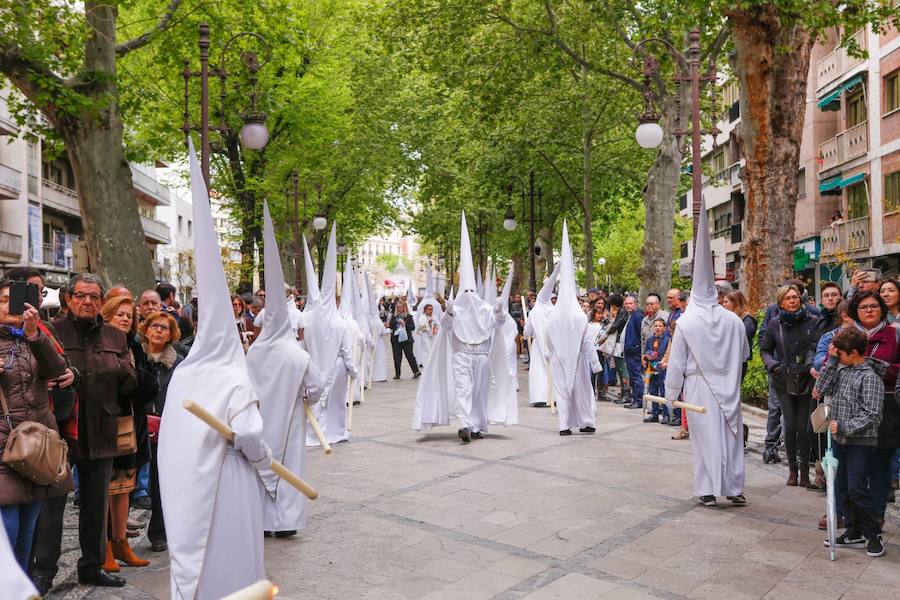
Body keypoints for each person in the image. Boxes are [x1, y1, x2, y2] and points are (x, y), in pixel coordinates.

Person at [159, 141, 277, 599]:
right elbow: (247, 435)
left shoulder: (186, 374)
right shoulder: (234, 374)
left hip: (192, 490)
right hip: (229, 485)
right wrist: (265, 462)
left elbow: (171, 441)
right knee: (235, 564)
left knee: (199, 567)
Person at [664, 194, 749, 507]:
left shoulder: (687, 322)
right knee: (731, 436)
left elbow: (677, 362)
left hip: (699, 384)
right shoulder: (733, 321)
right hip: (728, 383)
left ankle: (708, 489)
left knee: (706, 441)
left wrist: (672, 393)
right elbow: (743, 357)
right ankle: (734, 487)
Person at [52, 273, 137, 587]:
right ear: (69, 299)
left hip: (102, 427)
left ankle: (92, 565)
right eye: (80, 295)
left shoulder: (115, 336)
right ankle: (43, 571)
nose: (87, 301)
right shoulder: (54, 331)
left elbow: (129, 382)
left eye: (93, 296)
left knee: (95, 503)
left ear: (102, 301)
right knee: (52, 505)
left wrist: (124, 368)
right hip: (62, 431)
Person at [248, 203, 325, 539]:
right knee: (290, 464)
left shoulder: (254, 352)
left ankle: (263, 521)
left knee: (261, 464)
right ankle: (286, 522)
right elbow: (318, 386)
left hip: (260, 420)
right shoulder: (296, 354)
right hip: (291, 418)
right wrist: (304, 395)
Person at [412, 213, 516, 442]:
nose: (468, 296)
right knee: (463, 390)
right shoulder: (456, 309)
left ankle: (477, 425)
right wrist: (448, 311)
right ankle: (465, 425)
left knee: (479, 392)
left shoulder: (485, 309)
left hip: (481, 356)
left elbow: (498, 323)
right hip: (462, 355)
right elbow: (447, 326)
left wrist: (499, 309)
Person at [0, 279, 69, 572]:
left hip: (39, 446)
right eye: (3, 300)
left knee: (29, 531)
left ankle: (21, 590)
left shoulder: (39, 334)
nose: (10, 305)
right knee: (9, 530)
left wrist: (34, 335)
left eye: (13, 299)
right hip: (4, 446)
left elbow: (57, 371)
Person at [98, 296, 157, 571]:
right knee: (106, 489)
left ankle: (122, 542)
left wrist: (141, 378)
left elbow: (144, 384)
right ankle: (105, 546)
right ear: (107, 316)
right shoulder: (99, 343)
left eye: (128, 316)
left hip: (133, 422)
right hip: (107, 424)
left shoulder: (133, 345)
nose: (124, 319)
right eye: (119, 315)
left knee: (125, 488)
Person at [815, 328, 885, 557]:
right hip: (839, 440)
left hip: (860, 442)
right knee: (841, 487)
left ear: (854, 352)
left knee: (857, 488)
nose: (838, 356)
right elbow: (822, 389)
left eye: (840, 353)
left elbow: (873, 414)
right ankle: (853, 532)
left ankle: (873, 534)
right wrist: (833, 361)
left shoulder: (871, 377)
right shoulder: (842, 370)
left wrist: (846, 426)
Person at [846, 291, 900, 526]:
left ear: (882, 309)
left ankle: (876, 514)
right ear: (856, 312)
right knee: (856, 466)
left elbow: (897, 368)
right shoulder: (848, 336)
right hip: (852, 407)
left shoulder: (895, 335)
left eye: (874, 306)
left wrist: (873, 367)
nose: (869, 310)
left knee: (880, 464)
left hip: (886, 406)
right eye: (863, 307)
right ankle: (853, 516)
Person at [759, 284, 820, 486]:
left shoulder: (812, 321)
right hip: (783, 379)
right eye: (788, 298)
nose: (793, 300)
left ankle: (804, 473)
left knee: (804, 427)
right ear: (780, 302)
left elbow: (815, 346)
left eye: (795, 297)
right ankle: (792, 470)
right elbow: (765, 350)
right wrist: (773, 366)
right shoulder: (775, 324)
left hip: (806, 378)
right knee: (790, 426)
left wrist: (810, 364)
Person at [546, 222, 602, 436]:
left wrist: (550, 353)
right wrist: (595, 364)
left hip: (559, 359)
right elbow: (587, 342)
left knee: (562, 391)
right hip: (577, 360)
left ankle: (564, 425)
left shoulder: (553, 316)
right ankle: (586, 422)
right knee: (582, 390)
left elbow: (548, 340)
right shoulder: (579, 315)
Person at [141, 310, 184, 553]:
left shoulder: (178, 363)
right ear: (146, 329)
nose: (158, 331)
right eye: (154, 326)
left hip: (166, 429)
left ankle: (159, 532)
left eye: (164, 328)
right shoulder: (135, 356)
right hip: (136, 426)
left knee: (160, 482)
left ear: (171, 334)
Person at [523, 264, 560, 408]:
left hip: (538, 345)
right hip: (553, 345)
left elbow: (527, 332)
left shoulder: (534, 312)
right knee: (552, 369)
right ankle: (554, 397)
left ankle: (540, 397)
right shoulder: (555, 311)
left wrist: (527, 333)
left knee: (539, 370)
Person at [601, 294, 630, 403]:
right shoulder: (621, 312)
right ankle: (624, 393)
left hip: (619, 344)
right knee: (620, 368)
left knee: (622, 369)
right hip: (618, 343)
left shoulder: (621, 312)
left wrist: (607, 331)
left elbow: (615, 326)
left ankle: (626, 393)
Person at [642, 318, 670, 424]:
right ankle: (654, 413)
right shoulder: (650, 339)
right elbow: (646, 352)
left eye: (660, 326)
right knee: (653, 391)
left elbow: (666, 354)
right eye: (656, 326)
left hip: (662, 368)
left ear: (664, 328)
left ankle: (666, 414)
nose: (657, 328)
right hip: (652, 368)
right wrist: (646, 357)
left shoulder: (667, 340)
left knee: (663, 391)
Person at [621, 295, 645, 409]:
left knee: (636, 376)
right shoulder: (631, 316)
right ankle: (635, 398)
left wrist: (638, 348)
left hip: (634, 350)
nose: (628, 306)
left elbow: (641, 333)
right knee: (633, 376)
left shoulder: (637, 316)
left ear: (635, 304)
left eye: (630, 303)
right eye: (626, 304)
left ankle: (638, 400)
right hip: (629, 350)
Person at [390, 300, 420, 379]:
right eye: (397, 307)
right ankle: (397, 374)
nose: (399, 309)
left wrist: (405, 324)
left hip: (407, 340)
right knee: (397, 357)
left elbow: (412, 327)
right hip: (396, 340)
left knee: (409, 355)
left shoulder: (408, 317)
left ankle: (416, 371)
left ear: (404, 308)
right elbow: (391, 326)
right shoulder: (394, 316)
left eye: (400, 307)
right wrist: (394, 323)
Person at [416, 302, 440, 370]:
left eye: (432, 309)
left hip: (432, 335)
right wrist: (428, 323)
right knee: (427, 348)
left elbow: (438, 324)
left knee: (431, 349)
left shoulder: (434, 317)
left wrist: (435, 326)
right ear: (425, 310)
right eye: (429, 309)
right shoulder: (422, 317)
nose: (431, 311)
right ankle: (426, 363)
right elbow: (421, 326)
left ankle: (431, 363)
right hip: (425, 335)